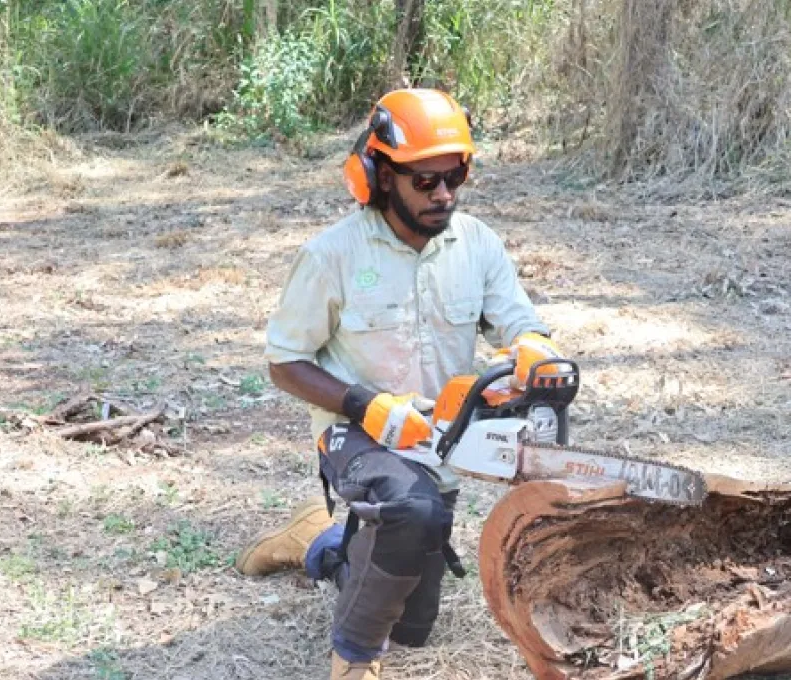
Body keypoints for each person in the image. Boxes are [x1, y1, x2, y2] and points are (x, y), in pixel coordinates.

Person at [234, 88, 565, 680]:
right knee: (411, 513)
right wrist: (365, 407)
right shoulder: (332, 255)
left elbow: (515, 319)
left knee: (413, 625)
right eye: (425, 181)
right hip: (352, 436)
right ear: (382, 177)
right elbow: (284, 362)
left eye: (455, 176)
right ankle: (353, 661)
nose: (443, 194)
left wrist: (531, 345)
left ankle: (317, 542)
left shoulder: (477, 244)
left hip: (435, 438)